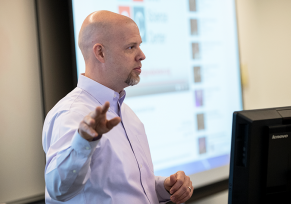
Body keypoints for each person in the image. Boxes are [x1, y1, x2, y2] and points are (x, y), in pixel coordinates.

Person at [42, 10, 193, 204]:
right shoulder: (70, 114)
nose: (142, 55)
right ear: (100, 52)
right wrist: (84, 142)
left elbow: (126, 188)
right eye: (131, 47)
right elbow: (58, 190)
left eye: (139, 46)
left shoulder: (127, 114)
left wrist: (165, 187)